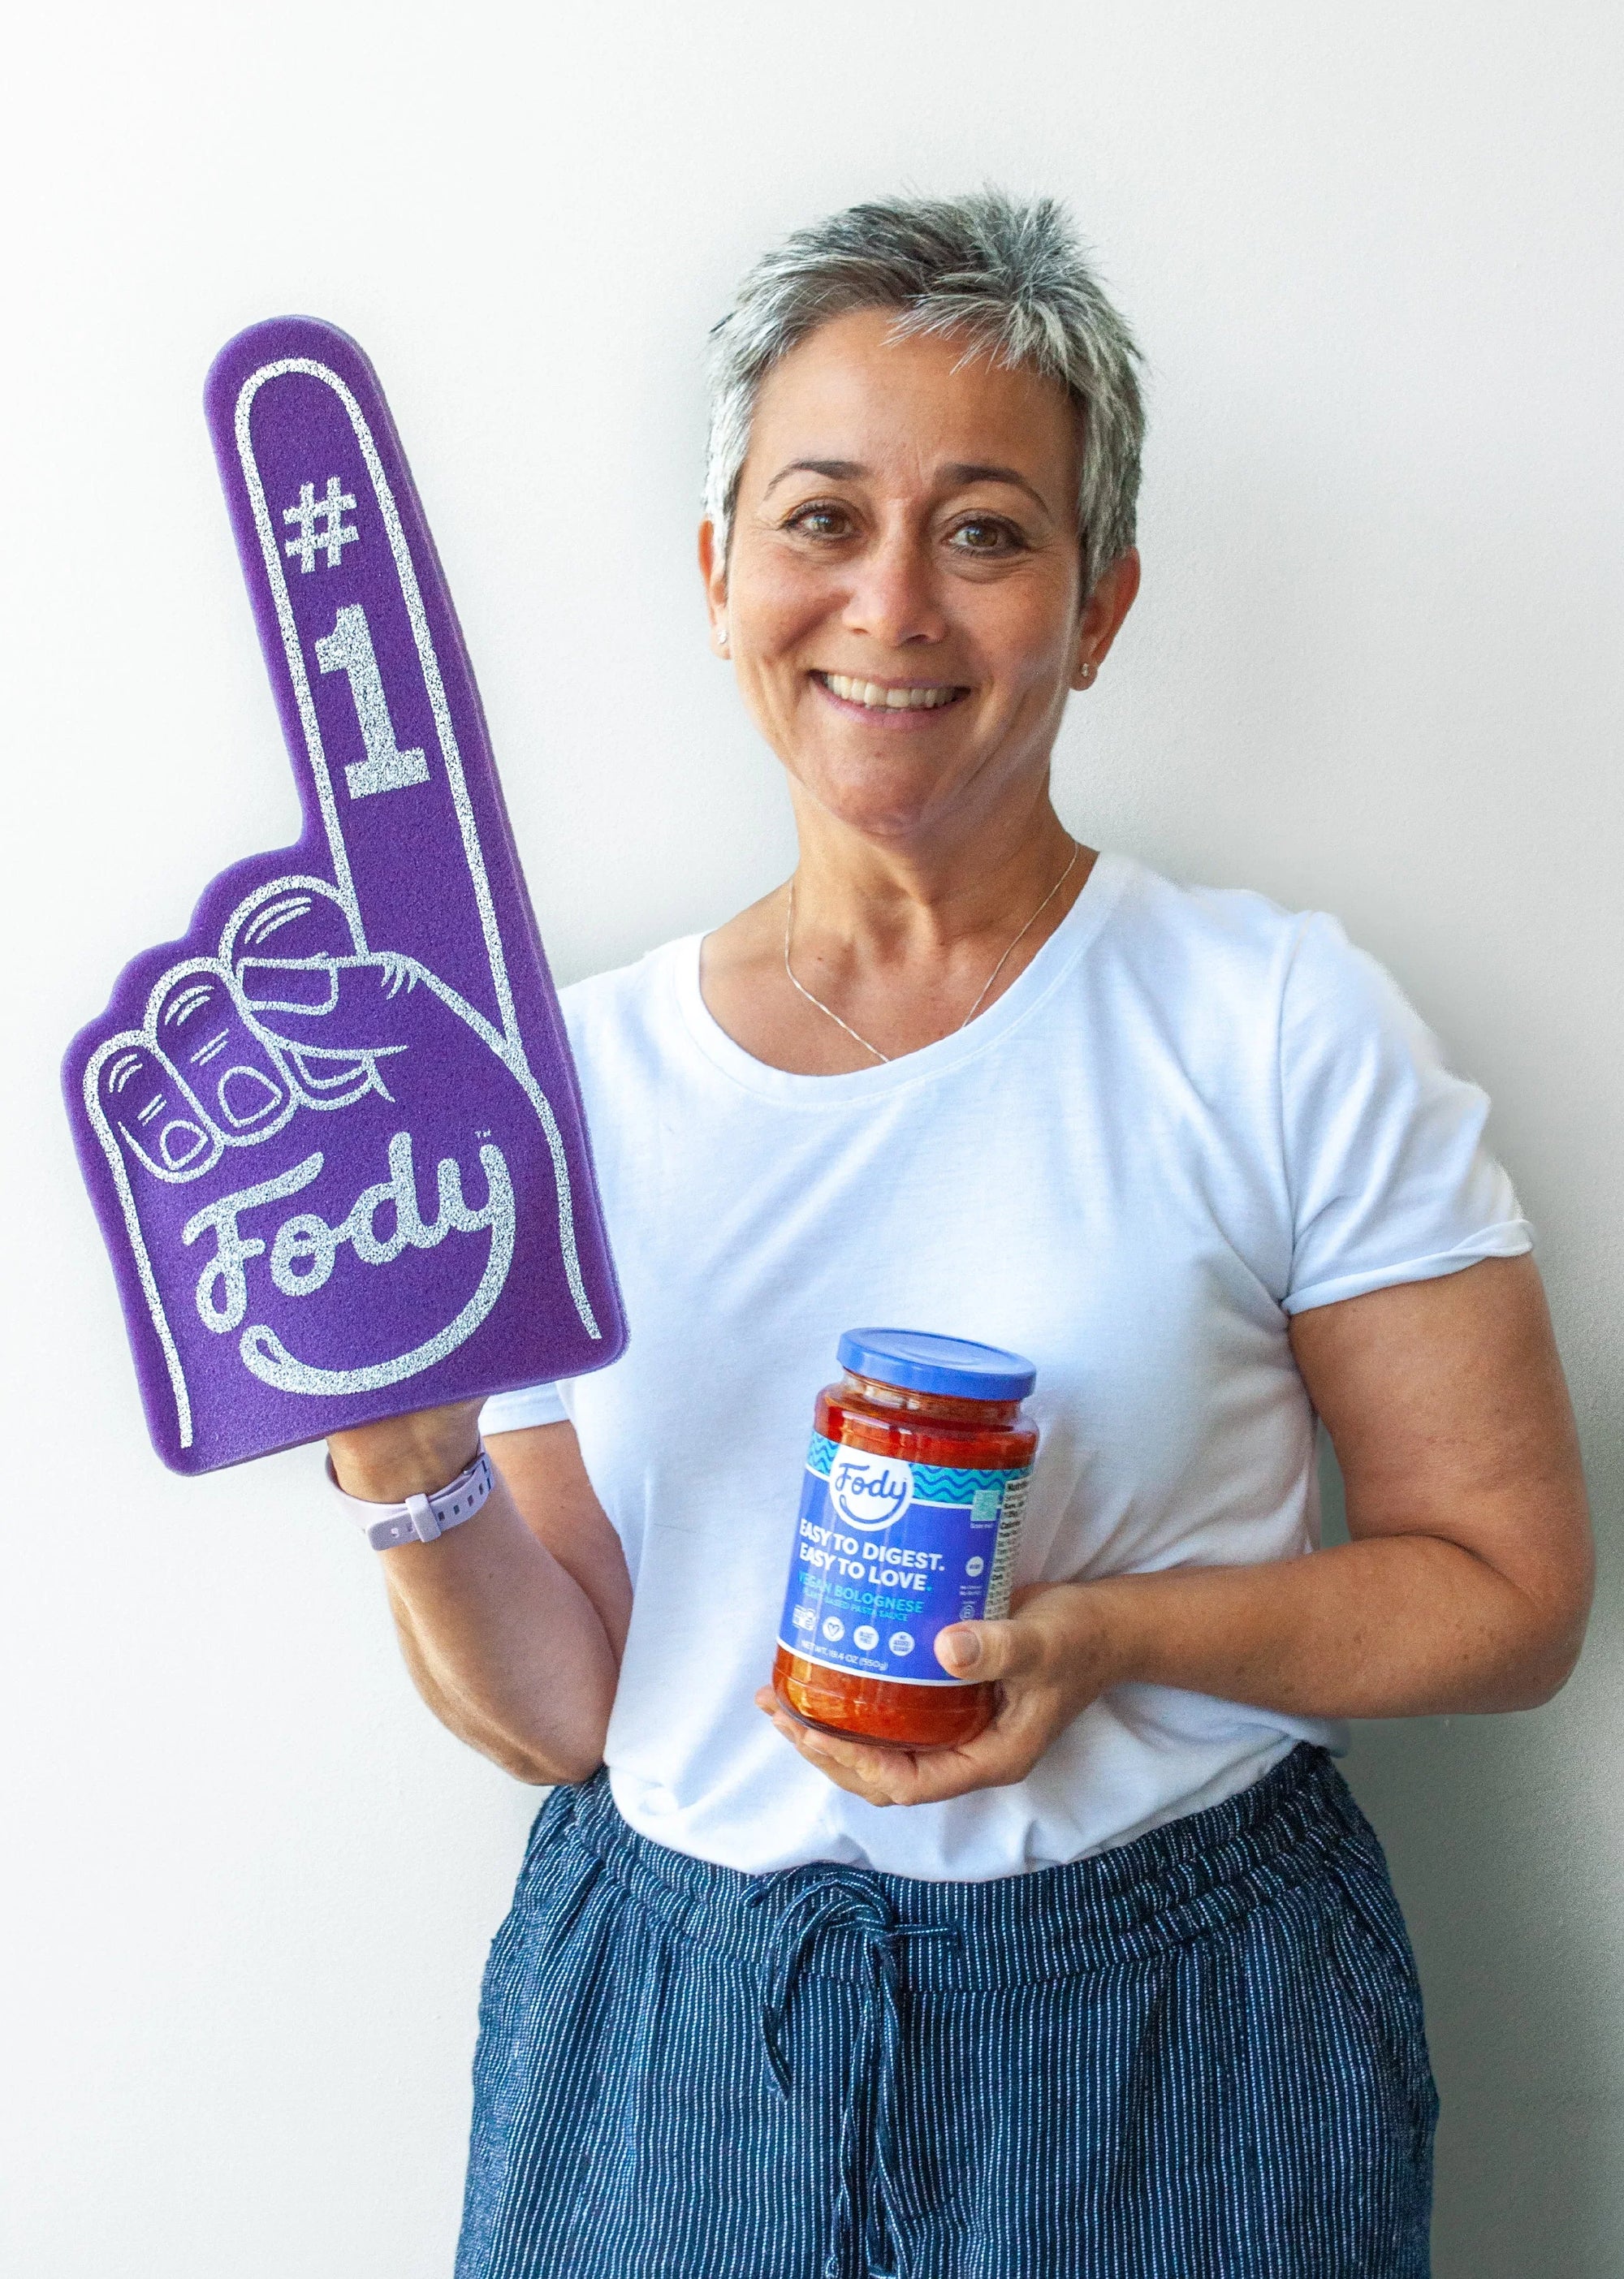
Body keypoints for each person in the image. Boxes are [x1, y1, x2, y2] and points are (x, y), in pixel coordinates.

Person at [326, 192, 1593, 2279]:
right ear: (720, 570)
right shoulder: (553, 1085)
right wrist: (403, 1469)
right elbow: (577, 1705)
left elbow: (1511, 1594)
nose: (892, 604)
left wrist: (1109, 1639)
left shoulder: (1271, 1020)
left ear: (1095, 607)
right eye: (821, 517)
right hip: (670, 2048)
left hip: (1176, 2032)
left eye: (987, 531)